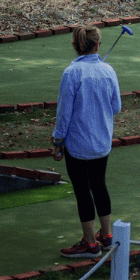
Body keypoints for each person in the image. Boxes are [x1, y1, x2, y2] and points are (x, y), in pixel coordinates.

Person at [51, 24, 122, 258]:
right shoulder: (108, 70)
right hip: (101, 143)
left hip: (78, 144)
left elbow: (64, 112)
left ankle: (90, 243)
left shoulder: (71, 73)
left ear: (75, 45)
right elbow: (116, 107)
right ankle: (107, 235)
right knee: (99, 185)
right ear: (97, 45)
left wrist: (57, 141)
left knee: (83, 191)